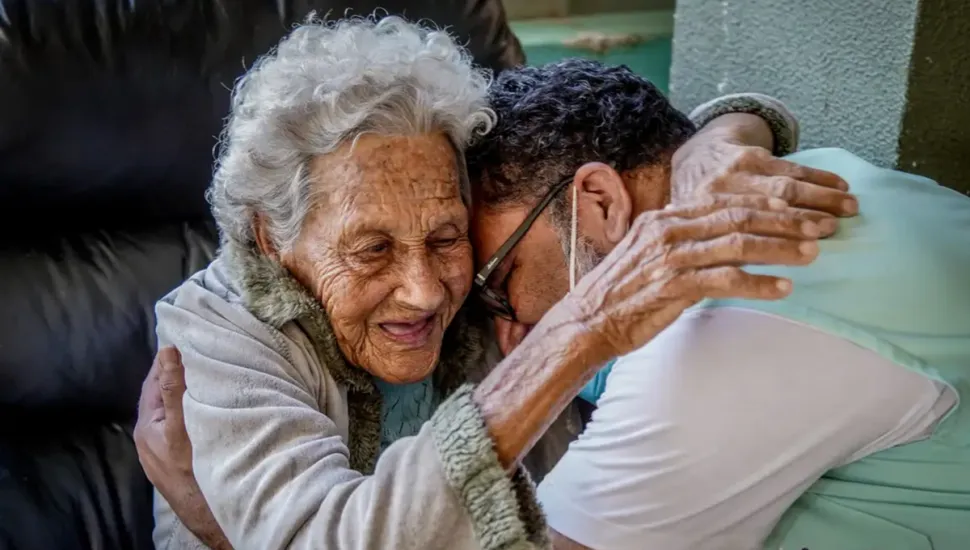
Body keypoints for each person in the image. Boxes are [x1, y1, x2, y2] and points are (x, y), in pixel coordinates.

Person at [134, 15, 852, 550]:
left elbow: (620, 160)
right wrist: (580, 331)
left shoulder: (482, 272)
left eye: (446, 238)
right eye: (372, 250)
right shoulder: (219, 334)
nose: (425, 291)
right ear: (271, 235)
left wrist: (726, 133)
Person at [461, 58, 970, 550]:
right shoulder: (809, 178)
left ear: (601, 201)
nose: (510, 330)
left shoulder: (717, 334)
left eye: (499, 282)